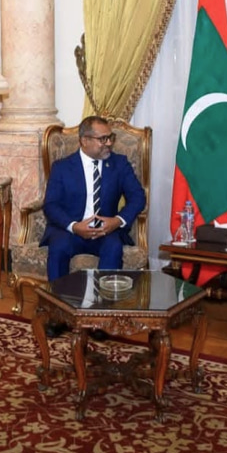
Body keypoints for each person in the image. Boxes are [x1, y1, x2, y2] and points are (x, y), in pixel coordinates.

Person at [41, 116, 146, 336]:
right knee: (58, 247)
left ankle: (101, 317)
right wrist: (73, 226)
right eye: (103, 139)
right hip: (72, 230)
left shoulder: (119, 164)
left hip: (106, 230)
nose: (109, 143)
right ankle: (59, 313)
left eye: (111, 138)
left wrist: (116, 221)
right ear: (84, 140)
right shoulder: (62, 167)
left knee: (113, 248)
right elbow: (51, 205)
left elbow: (138, 197)